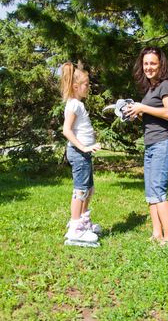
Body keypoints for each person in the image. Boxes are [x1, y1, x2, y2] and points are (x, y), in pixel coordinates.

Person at [127, 46, 168, 245]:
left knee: (158, 190)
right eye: (146, 63)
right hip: (151, 144)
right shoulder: (151, 89)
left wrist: (143, 107)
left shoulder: (166, 85)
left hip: (163, 144)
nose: (148, 67)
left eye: (152, 63)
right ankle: (157, 233)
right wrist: (138, 114)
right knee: (150, 192)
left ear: (160, 64)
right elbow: (153, 117)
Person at [61, 61, 101, 247]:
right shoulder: (74, 105)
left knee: (89, 189)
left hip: (83, 154)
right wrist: (84, 147)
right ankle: (76, 228)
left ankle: (83, 222)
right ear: (76, 86)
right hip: (78, 153)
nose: (89, 87)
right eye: (86, 84)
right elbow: (67, 131)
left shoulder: (78, 104)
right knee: (81, 190)